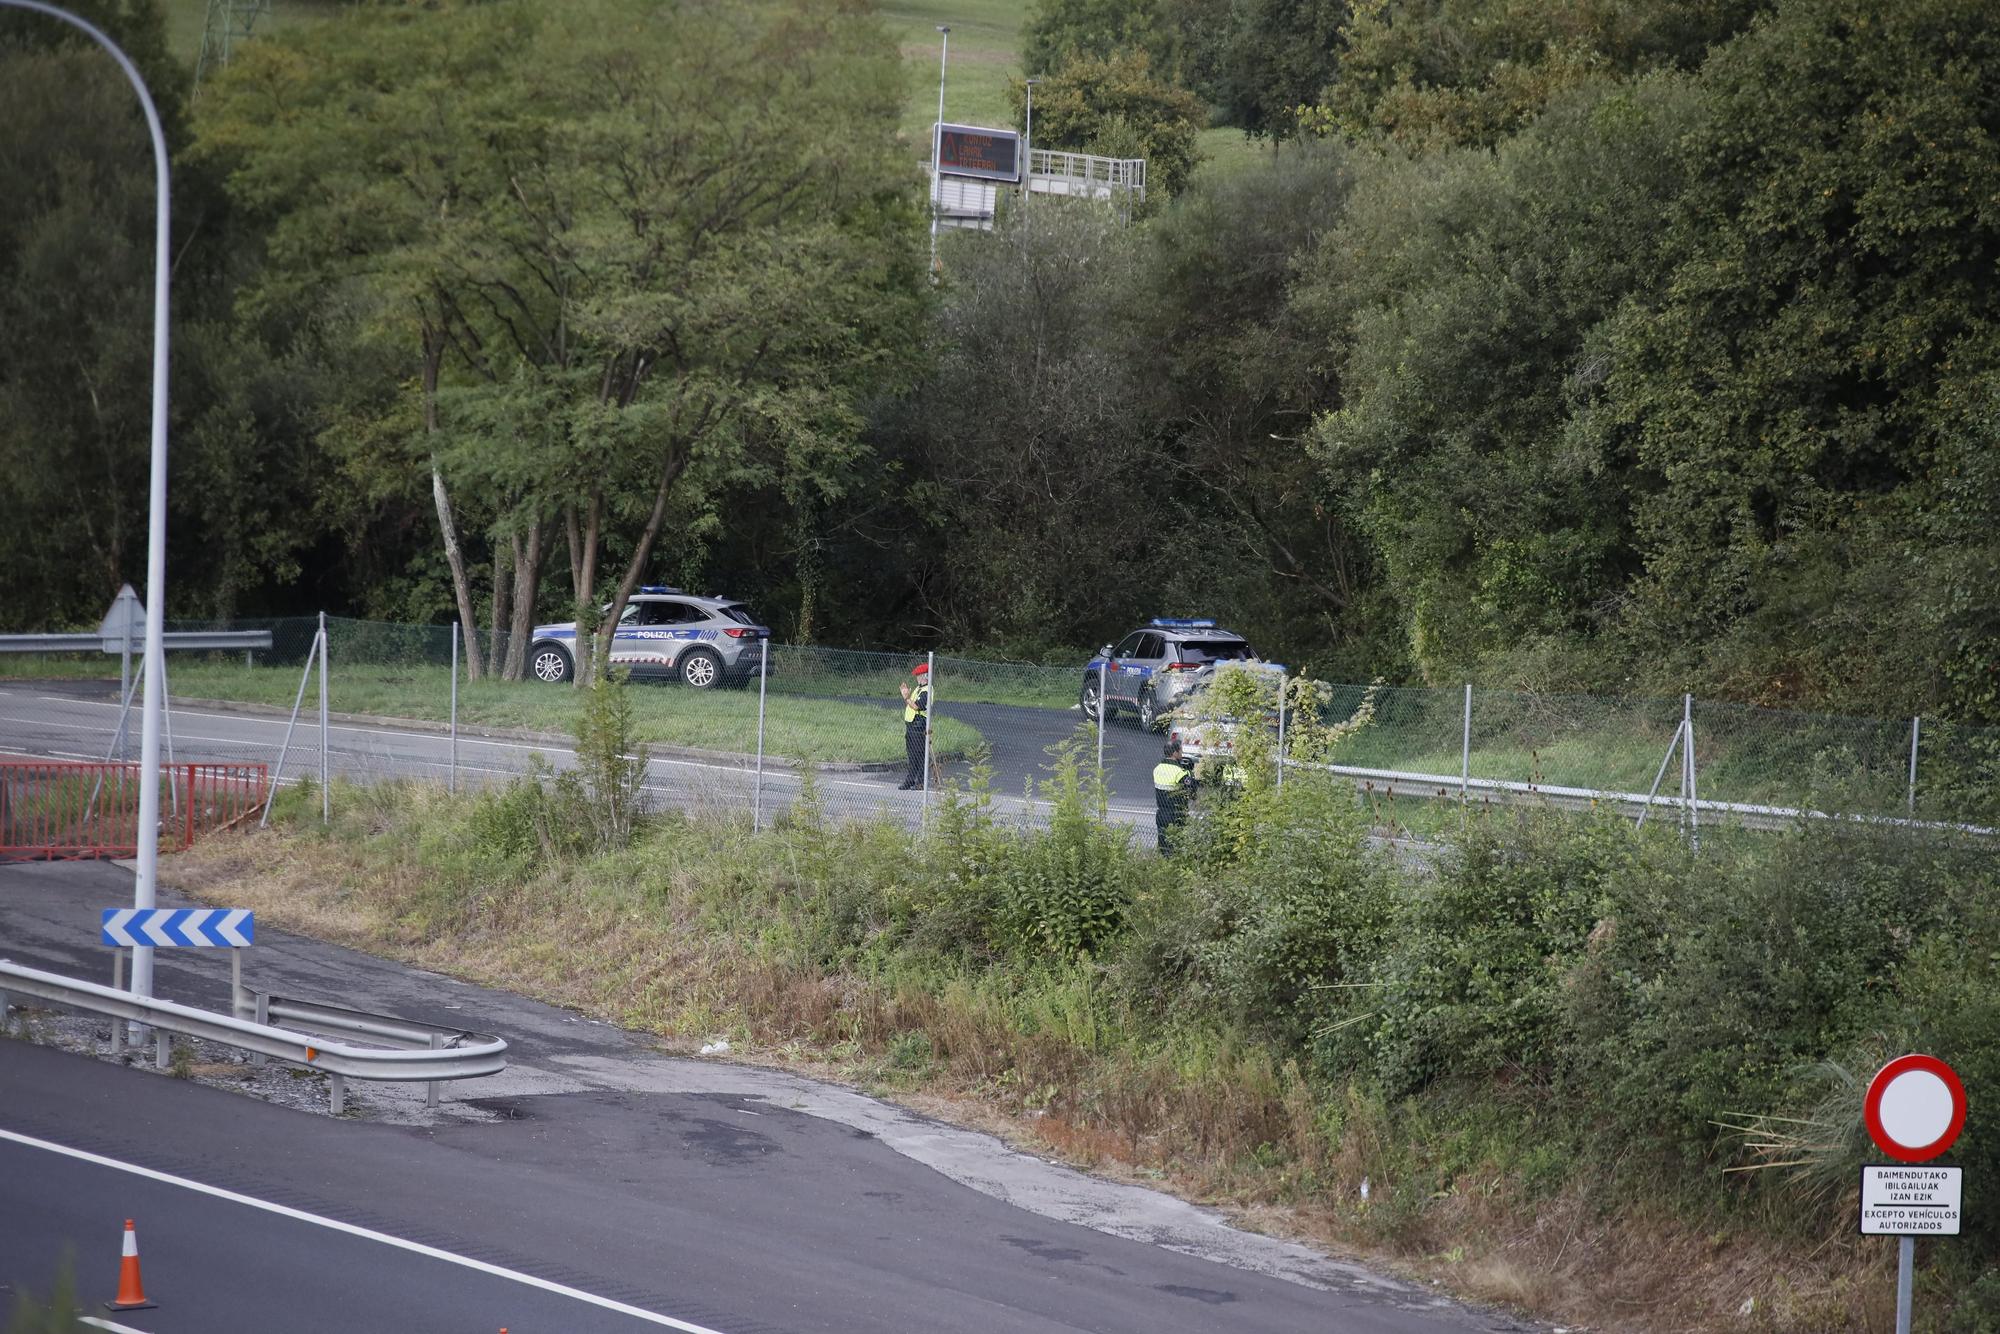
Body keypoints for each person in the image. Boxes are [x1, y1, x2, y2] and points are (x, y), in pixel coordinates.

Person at [1153, 739, 1194, 855]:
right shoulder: (1179, 772)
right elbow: (1191, 785)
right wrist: (1189, 773)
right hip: (1176, 813)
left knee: (1163, 844)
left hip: (1161, 812)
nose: (1182, 753)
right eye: (1181, 750)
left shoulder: (1157, 769)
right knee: (1177, 845)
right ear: (1175, 753)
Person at [897, 662, 931, 790]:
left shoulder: (927, 690)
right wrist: (907, 696)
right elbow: (911, 704)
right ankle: (911, 780)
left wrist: (906, 697)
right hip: (912, 725)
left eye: (919, 675)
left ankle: (920, 782)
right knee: (912, 755)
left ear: (925, 676)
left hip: (919, 725)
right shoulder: (919, 688)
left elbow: (918, 706)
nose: (917, 678)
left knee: (919, 755)